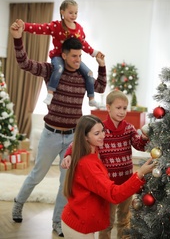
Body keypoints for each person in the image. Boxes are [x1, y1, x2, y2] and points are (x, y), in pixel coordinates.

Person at [10, 21, 107, 237]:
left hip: (74, 137)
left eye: (80, 57)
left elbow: (99, 87)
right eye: (74, 56)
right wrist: (18, 38)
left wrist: (101, 65)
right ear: (63, 55)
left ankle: (57, 222)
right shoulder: (52, 70)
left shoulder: (84, 76)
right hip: (51, 134)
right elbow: (24, 63)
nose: (78, 60)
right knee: (36, 175)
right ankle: (18, 203)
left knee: (66, 182)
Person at [62, 90, 149, 239]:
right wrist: (68, 154)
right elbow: (78, 141)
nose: (122, 112)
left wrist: (145, 138)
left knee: (124, 220)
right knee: (107, 223)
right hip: (107, 186)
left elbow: (139, 145)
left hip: (127, 182)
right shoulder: (100, 130)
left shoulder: (128, 128)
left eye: (125, 108)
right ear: (108, 108)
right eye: (118, 108)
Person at [17, 0, 104, 107]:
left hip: (70, 59)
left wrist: (94, 53)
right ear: (62, 12)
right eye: (70, 12)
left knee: (89, 73)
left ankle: (91, 99)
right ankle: (50, 93)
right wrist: (24, 26)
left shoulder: (79, 29)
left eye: (76, 13)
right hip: (57, 56)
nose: (73, 15)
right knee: (59, 69)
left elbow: (84, 44)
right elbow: (40, 28)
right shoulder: (56, 26)